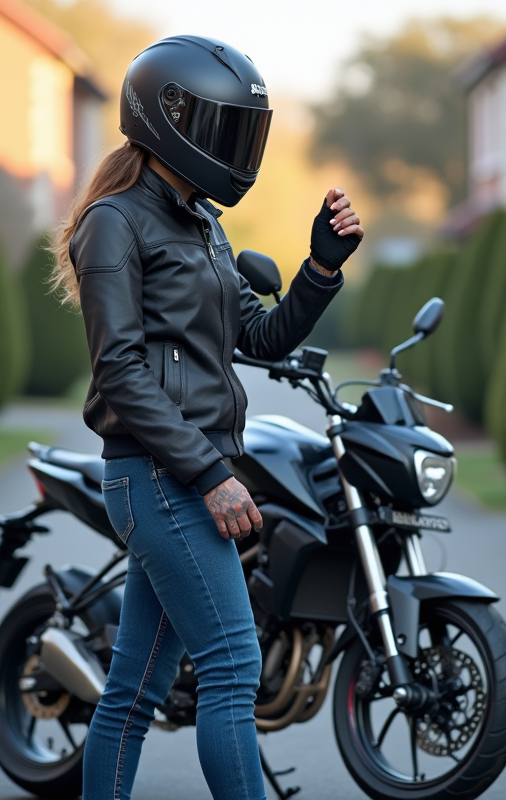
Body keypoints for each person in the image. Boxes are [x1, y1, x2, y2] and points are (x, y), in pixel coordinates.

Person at [50, 35, 364, 800]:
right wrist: (211, 475)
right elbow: (119, 372)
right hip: (160, 476)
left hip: (181, 475)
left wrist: (320, 269)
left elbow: (256, 337)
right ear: (169, 120)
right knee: (231, 665)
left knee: (133, 689)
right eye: (223, 129)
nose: (236, 150)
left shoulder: (202, 222)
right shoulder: (114, 224)